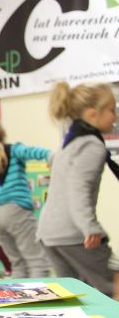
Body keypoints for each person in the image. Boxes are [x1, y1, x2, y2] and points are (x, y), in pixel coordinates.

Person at [37, 81, 119, 297]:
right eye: (112, 110)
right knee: (114, 285)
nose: (115, 116)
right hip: (74, 235)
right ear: (93, 114)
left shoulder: (71, 141)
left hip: (49, 234)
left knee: (75, 296)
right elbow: (78, 189)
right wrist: (90, 227)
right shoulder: (92, 145)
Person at [0, 116, 51, 277]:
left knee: (17, 265)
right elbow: (35, 152)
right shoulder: (13, 149)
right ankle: (42, 299)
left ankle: (19, 299)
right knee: (38, 262)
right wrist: (52, 156)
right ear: (2, 132)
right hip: (17, 211)